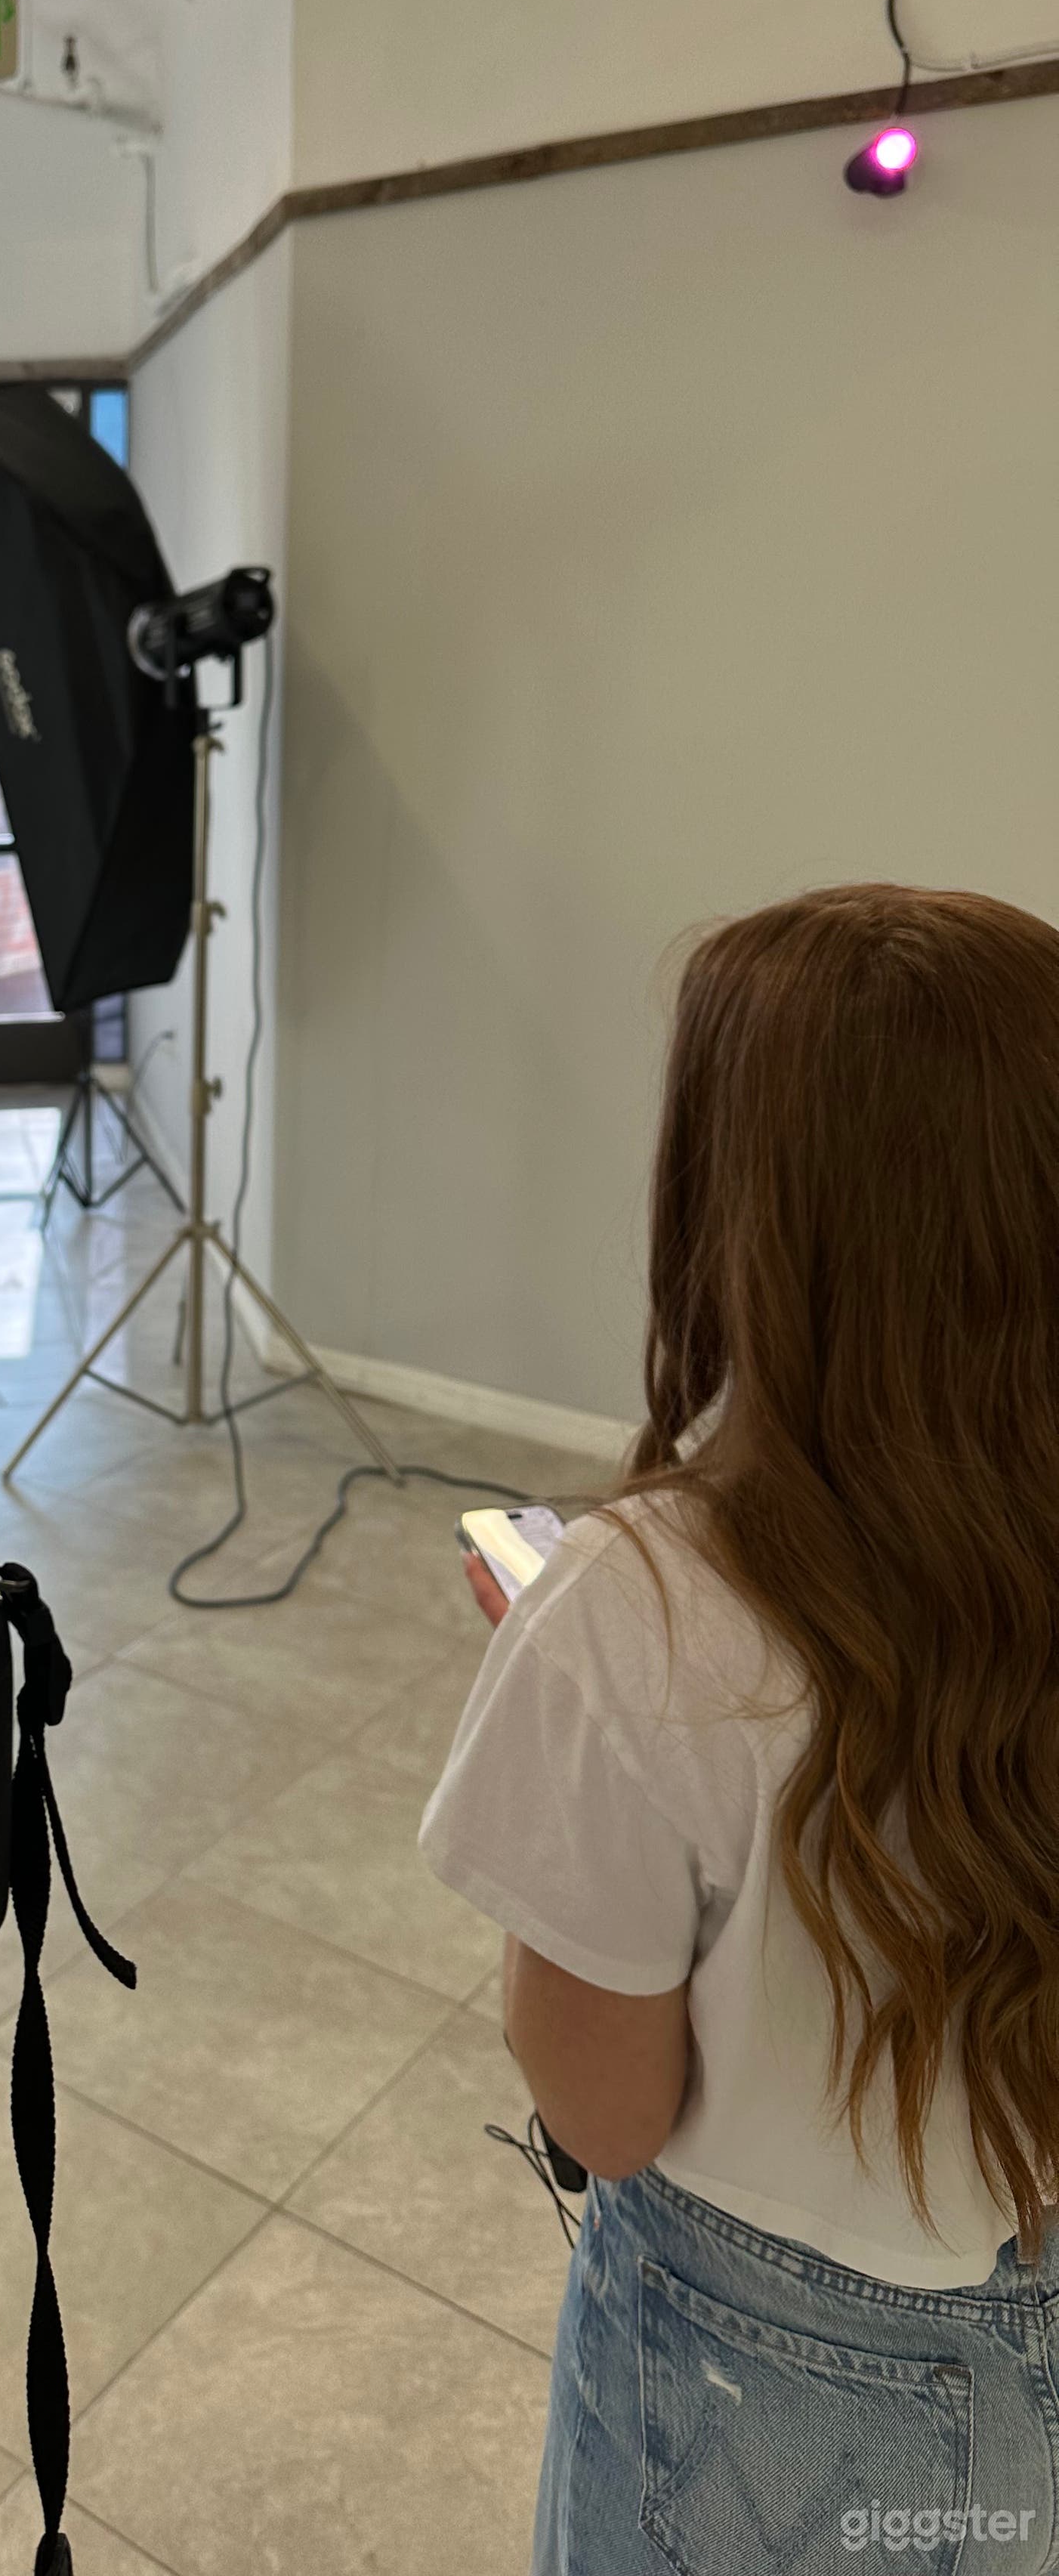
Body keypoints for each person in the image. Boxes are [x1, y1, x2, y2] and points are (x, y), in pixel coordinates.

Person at [421, 885, 1059, 2574]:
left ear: (741, 1209)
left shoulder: (628, 1613)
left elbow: (606, 2117)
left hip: (766, 2388)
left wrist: (585, 1705)